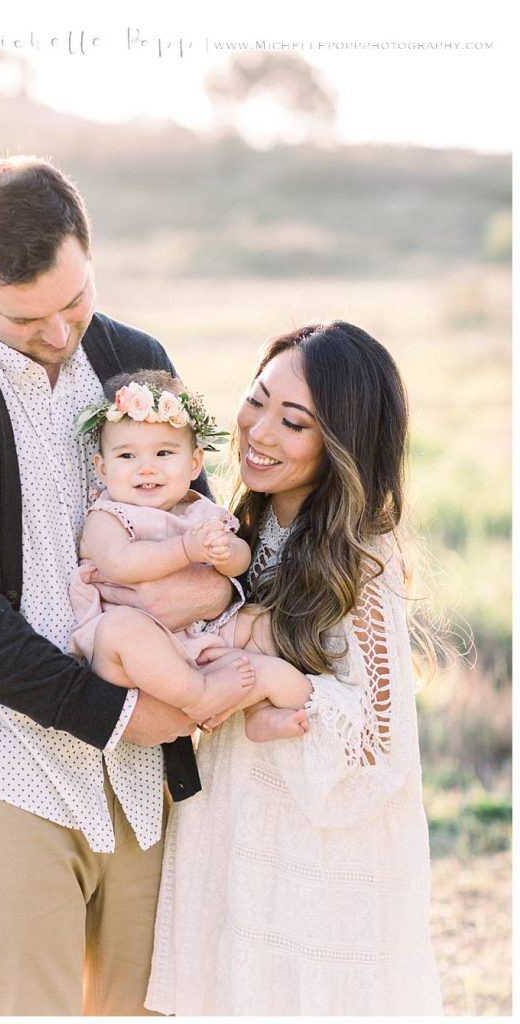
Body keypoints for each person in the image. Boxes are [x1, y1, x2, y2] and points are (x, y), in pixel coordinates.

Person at [0, 155, 240, 1016]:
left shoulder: (134, 360)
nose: (60, 331)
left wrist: (212, 595)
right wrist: (115, 712)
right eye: (27, 316)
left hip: (144, 781)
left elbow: (207, 526)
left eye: (74, 300)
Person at [146, 321, 444, 1016]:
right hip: (230, 829)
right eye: (257, 400)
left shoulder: (361, 564)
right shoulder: (235, 537)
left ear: (342, 443)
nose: (261, 431)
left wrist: (283, 684)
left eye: (295, 422)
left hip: (316, 863)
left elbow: (378, 749)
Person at [69, 368, 312, 730]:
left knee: (265, 625)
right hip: (136, 658)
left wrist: (226, 554)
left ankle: (256, 711)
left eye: (164, 453)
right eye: (127, 457)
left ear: (194, 463)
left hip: (199, 637)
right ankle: (200, 697)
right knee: (121, 629)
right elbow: (121, 564)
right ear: (102, 469)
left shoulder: (199, 509)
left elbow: (240, 559)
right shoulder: (108, 515)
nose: (146, 468)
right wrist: (185, 549)